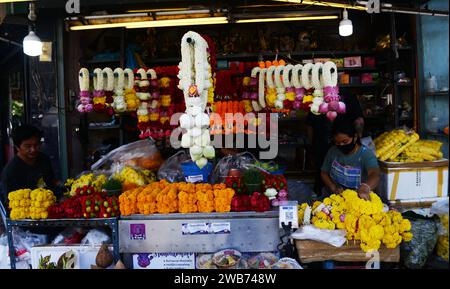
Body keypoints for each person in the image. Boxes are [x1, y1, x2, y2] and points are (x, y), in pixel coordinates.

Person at [306, 90, 364, 195]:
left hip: (324, 142)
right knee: (343, 169)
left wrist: (311, 145)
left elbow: (309, 126)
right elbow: (359, 121)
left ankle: (324, 194)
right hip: (342, 142)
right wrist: (357, 142)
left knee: (323, 169)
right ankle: (342, 193)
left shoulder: (318, 97)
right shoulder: (347, 95)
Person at [320, 116, 380, 200]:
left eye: (345, 142)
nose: (341, 145)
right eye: (337, 142)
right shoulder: (333, 151)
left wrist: (365, 187)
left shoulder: (366, 154)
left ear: (355, 137)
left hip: (357, 199)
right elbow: (324, 173)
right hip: (334, 198)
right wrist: (333, 187)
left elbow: (374, 174)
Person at [0, 125, 60, 210]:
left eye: (36, 145)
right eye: (28, 146)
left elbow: (52, 182)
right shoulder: (11, 172)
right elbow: (10, 204)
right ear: (17, 147)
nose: (33, 149)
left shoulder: (44, 159)